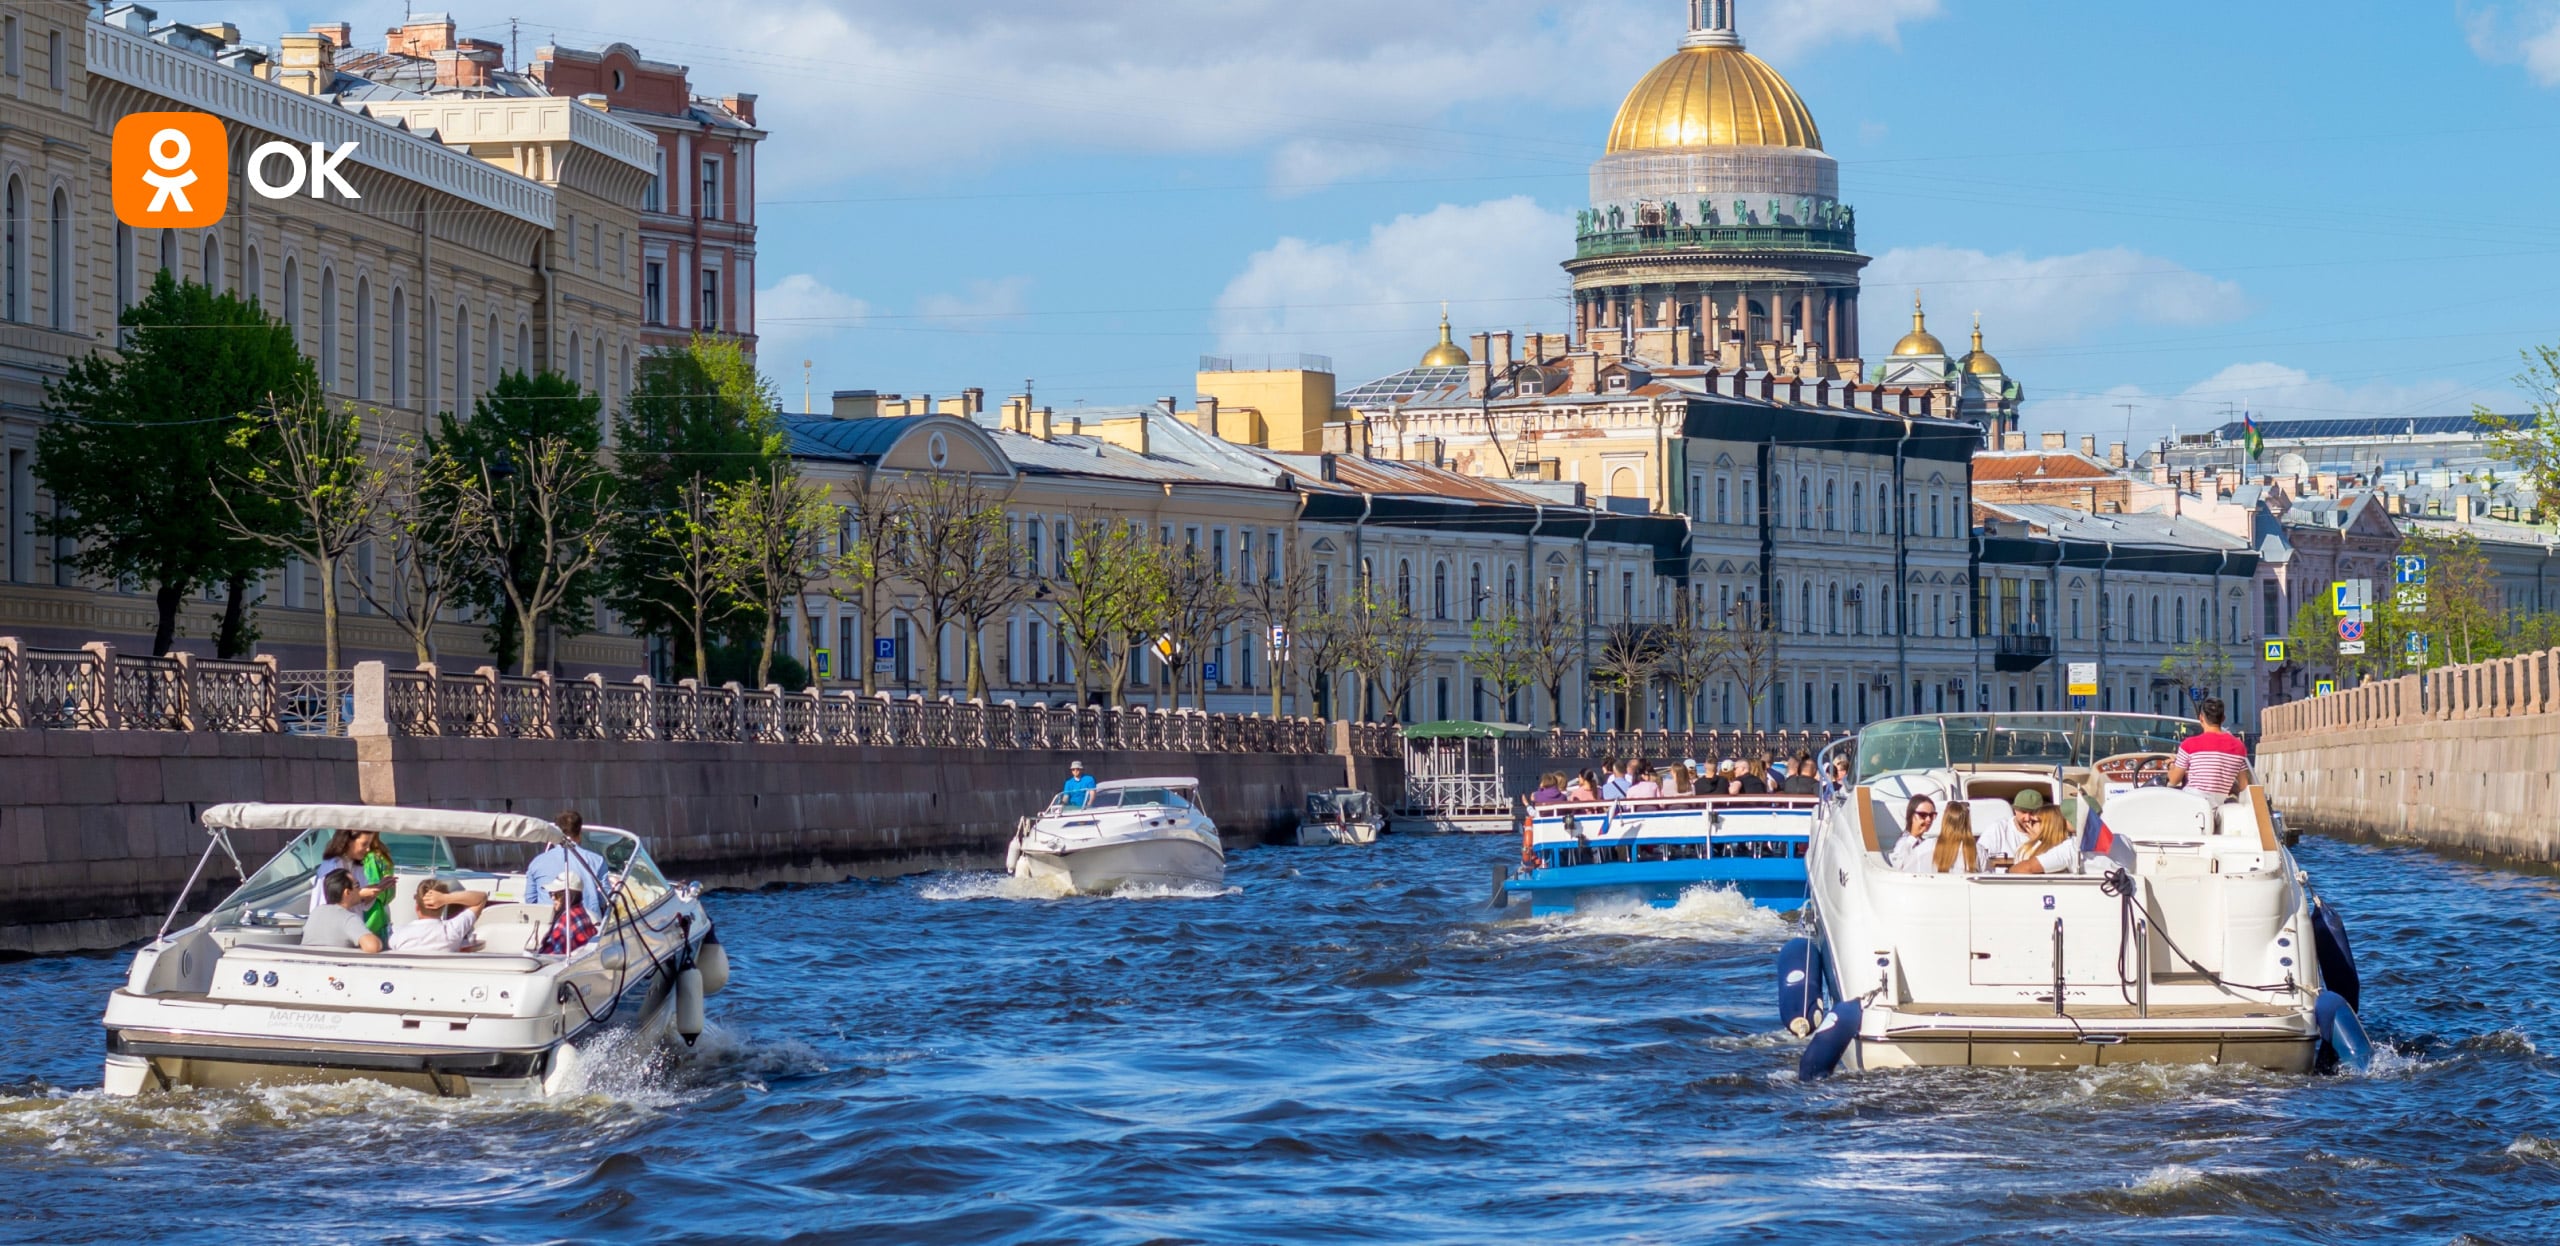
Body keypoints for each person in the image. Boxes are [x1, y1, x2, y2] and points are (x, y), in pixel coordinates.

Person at [308, 829, 396, 939]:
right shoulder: (331, 867)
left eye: (369, 844)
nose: (368, 849)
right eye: (364, 844)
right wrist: (361, 895)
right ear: (348, 841)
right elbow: (331, 905)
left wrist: (378, 889)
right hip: (332, 934)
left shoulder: (358, 867)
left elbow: (362, 903)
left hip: (352, 931)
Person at [522, 810, 609, 911]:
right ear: (580, 831)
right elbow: (605, 898)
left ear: (556, 831)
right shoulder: (597, 860)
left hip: (549, 923)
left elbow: (530, 900)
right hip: (587, 921)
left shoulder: (537, 862)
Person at [2166, 698, 2252, 799]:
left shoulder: (2189, 745)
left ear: (2201, 718)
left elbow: (2174, 781)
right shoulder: (2239, 747)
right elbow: (2244, 785)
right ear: (2223, 719)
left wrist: (2171, 765)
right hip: (2219, 804)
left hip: (2192, 802)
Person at [389, 879, 490, 953]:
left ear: (417, 907)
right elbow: (482, 898)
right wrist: (446, 898)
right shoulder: (453, 930)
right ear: (443, 907)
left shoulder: (397, 934)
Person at [302, 871, 384, 953]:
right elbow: (373, 947)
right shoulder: (349, 918)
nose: (360, 889)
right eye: (357, 885)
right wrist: (380, 941)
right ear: (347, 892)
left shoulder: (315, 912)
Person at [2005, 805, 2081, 876]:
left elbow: (2025, 868)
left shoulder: (2065, 848)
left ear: (2047, 825)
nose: (2029, 824)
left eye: (2033, 821)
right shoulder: (2071, 846)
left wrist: (2036, 843)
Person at [1919, 801, 1982, 875]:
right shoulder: (1978, 850)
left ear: (1945, 820)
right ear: (1967, 823)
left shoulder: (1927, 846)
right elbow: (1988, 879)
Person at [1887, 795, 1939, 871]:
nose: (1928, 819)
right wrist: (1913, 836)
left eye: (1932, 815)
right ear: (1912, 816)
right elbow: (1898, 865)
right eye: (1923, 815)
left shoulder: (1924, 842)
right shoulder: (1904, 842)